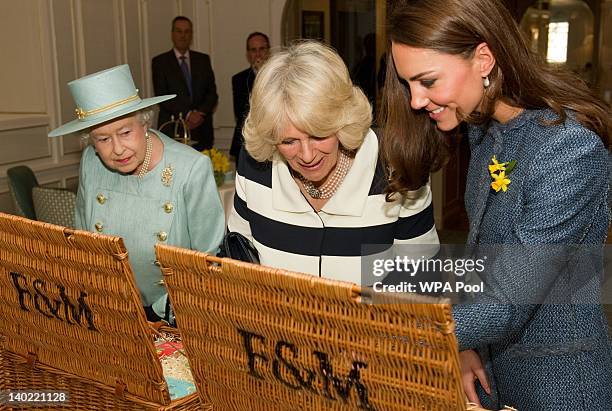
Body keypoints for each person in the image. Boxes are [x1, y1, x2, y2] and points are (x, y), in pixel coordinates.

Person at [381, 0, 612, 409]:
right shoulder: (485, 129)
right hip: (491, 371)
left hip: (557, 386)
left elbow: (508, 300)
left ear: (483, 59)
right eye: (408, 84)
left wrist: (394, 334)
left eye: (427, 81)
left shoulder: (569, 149)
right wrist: (465, 344)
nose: (416, 100)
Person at [227, 41, 439, 283]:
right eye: (288, 141)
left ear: (342, 119)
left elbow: (421, 279)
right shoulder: (255, 166)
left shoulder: (398, 165)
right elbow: (238, 264)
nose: (307, 155)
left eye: (318, 135)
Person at [48, 64, 225, 324]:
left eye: (125, 132)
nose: (118, 149)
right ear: (90, 142)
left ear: (144, 123)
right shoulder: (91, 162)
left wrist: (157, 313)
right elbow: (84, 240)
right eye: (103, 139)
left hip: (173, 317)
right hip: (112, 308)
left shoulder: (190, 168)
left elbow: (209, 262)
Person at [152, 16, 218, 150]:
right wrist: (188, 114)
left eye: (187, 32)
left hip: (202, 129)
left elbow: (212, 94)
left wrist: (199, 114)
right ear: (172, 34)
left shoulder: (203, 60)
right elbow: (162, 95)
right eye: (179, 31)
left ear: (191, 35)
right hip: (173, 129)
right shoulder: (160, 62)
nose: (183, 36)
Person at [230, 32, 271, 162]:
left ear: (268, 51)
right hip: (245, 142)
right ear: (248, 54)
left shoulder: (277, 76)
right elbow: (241, 112)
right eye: (253, 50)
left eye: (262, 49)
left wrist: (263, 74)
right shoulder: (239, 79)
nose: (258, 54)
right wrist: (258, 76)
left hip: (271, 142)